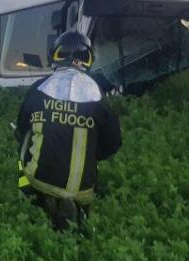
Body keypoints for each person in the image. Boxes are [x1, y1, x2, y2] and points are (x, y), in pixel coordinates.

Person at [14, 31, 122, 232]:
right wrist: (90, 153)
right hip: (83, 190)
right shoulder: (97, 94)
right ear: (88, 59)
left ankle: (30, 194)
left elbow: (21, 128)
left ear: (55, 55)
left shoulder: (39, 88)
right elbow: (113, 143)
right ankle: (77, 209)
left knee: (25, 138)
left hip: (39, 181)